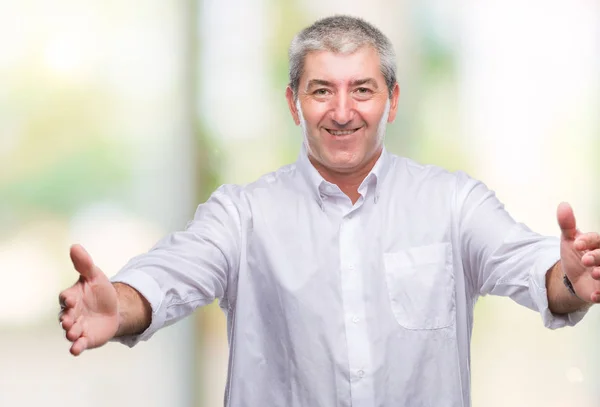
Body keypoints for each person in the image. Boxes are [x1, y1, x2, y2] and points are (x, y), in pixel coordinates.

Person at [58, 15, 600, 407]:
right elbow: (169, 276)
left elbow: (536, 272)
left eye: (361, 90)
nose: (342, 112)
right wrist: (122, 305)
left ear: (392, 98)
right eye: (322, 91)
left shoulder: (454, 203)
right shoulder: (243, 216)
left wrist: (570, 278)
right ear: (294, 102)